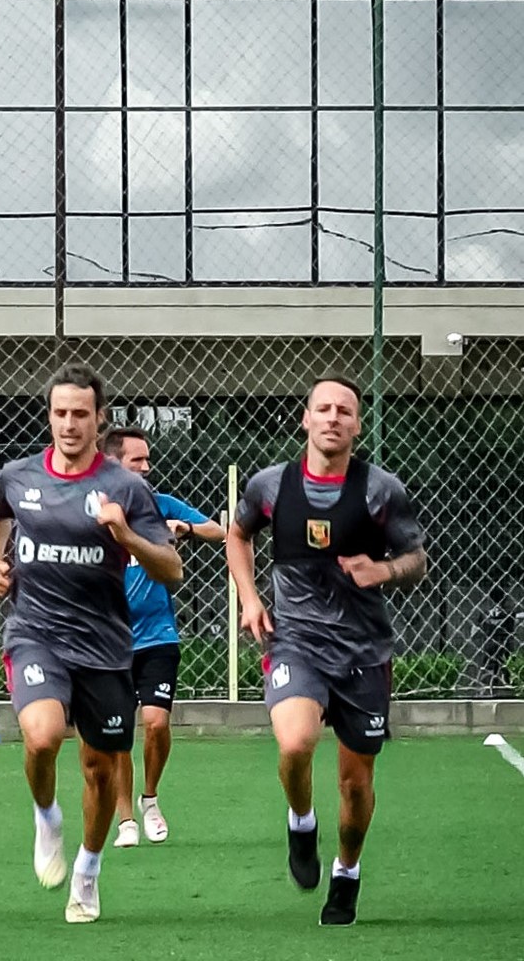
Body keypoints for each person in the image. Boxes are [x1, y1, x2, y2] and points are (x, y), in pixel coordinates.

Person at [0, 364, 180, 925]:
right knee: (42, 737)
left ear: (99, 420)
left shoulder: (125, 488)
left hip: (106, 647)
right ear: (50, 416)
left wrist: (126, 535)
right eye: (60, 413)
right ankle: (47, 816)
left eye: (80, 414)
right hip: (35, 633)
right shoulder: (18, 476)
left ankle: (88, 873)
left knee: (98, 768)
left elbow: (172, 569)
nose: (69, 424)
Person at [227, 375, 427, 927]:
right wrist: (249, 599)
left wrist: (381, 569)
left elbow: (416, 558)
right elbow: (237, 536)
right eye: (324, 408)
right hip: (296, 640)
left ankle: (347, 872)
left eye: (345, 410)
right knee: (294, 743)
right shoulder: (271, 486)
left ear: (357, 425)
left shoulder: (379, 490)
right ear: (306, 419)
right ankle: (300, 823)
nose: (333, 416)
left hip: (364, 652)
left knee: (354, 782)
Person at [100, 425, 226, 849]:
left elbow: (220, 531)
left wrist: (184, 530)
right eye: (139, 460)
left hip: (157, 636)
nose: (147, 467)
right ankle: (125, 821)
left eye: (148, 459)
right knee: (117, 733)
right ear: (114, 463)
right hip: (109, 642)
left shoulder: (157, 506)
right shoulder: (91, 515)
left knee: (155, 723)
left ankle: (149, 799)